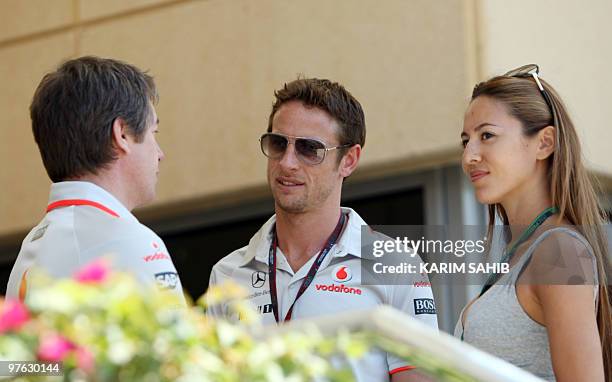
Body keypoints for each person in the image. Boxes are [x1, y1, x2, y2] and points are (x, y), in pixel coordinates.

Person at [207, 78, 438, 382]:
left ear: (349, 160)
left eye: (309, 149)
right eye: (278, 144)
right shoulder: (228, 273)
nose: (287, 163)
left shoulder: (396, 266)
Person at [456, 64, 611, 381]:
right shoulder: (520, 252)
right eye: (465, 140)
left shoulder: (560, 251)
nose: (469, 155)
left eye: (487, 136)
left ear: (545, 143)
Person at [6, 56, 185, 305]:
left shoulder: (29, 252)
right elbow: (174, 343)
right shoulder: (132, 241)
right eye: (153, 132)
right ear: (121, 133)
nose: (160, 153)